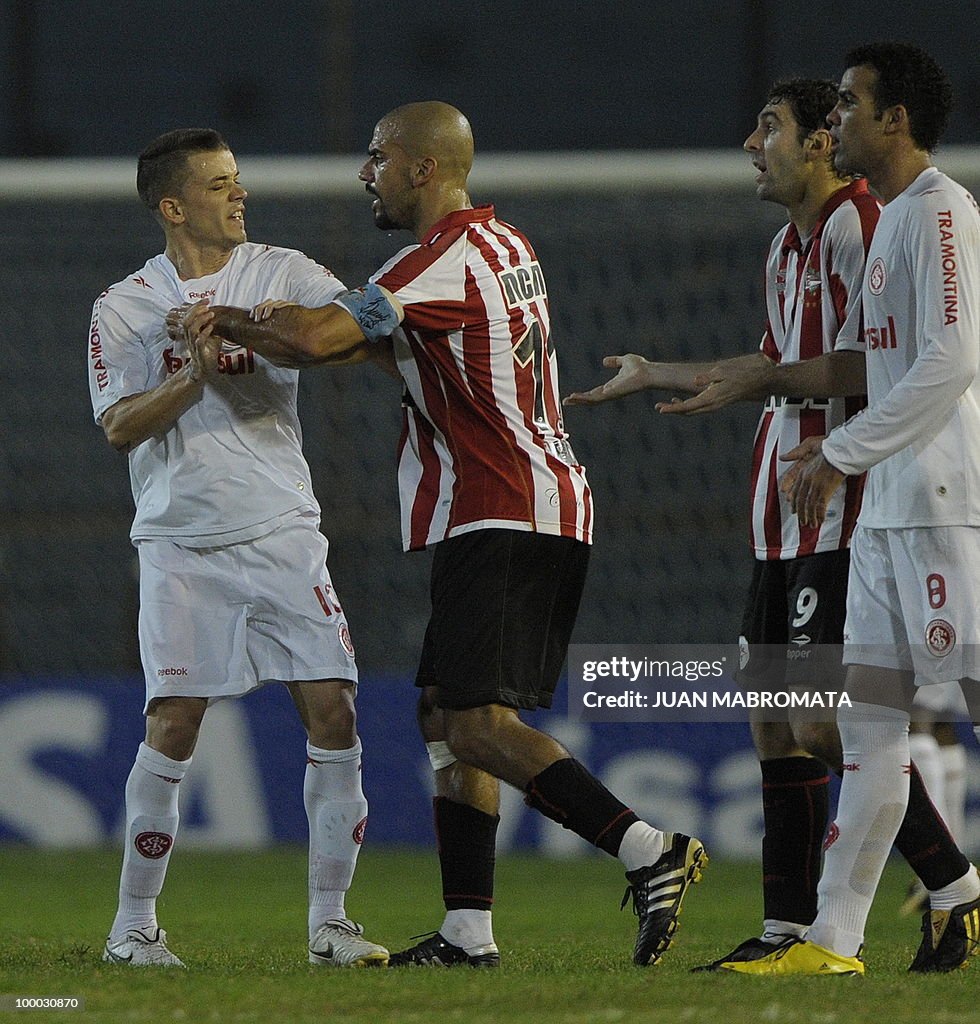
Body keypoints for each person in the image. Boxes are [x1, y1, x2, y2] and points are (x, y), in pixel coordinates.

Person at [169, 101, 708, 969]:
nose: (364, 172)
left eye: (377, 156)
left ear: (421, 168)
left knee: (477, 724)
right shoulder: (504, 247)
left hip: (505, 506)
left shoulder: (435, 259)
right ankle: (467, 933)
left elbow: (315, 338)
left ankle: (649, 850)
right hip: (521, 503)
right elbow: (383, 350)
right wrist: (298, 333)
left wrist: (228, 318)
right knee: (441, 710)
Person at [565, 78, 976, 974]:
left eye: (770, 126)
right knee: (772, 722)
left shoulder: (862, 226)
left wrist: (775, 395)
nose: (753, 143)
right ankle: (792, 927)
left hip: (841, 505)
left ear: (824, 142)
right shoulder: (788, 247)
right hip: (780, 517)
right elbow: (774, 363)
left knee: (822, 723)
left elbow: (885, 365)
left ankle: (952, 888)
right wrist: (661, 371)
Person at [88, 128, 388, 968]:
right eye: (219, 184)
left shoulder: (281, 272)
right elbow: (118, 427)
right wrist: (194, 371)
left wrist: (256, 334)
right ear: (173, 205)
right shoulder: (125, 306)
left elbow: (361, 332)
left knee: (334, 711)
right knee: (175, 721)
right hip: (182, 544)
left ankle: (330, 925)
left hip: (283, 530)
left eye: (238, 179)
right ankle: (133, 929)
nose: (239, 194)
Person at [735, 41, 980, 975]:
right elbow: (880, 363)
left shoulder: (941, 212)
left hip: (940, 502)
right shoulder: (888, 228)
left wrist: (838, 450)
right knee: (867, 726)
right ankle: (831, 940)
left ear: (895, 120)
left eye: (846, 102)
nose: (833, 117)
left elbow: (950, 363)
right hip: (884, 508)